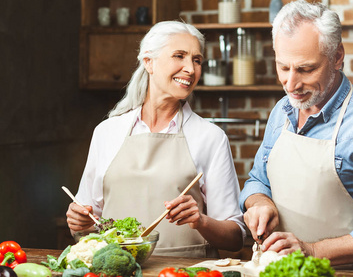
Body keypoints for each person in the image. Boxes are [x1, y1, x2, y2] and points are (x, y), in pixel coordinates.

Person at [239, 1, 353, 266]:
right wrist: (259, 202)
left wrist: (312, 251)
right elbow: (257, 180)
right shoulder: (282, 112)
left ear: (337, 57)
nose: (291, 84)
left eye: (306, 69)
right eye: (283, 68)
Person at [66, 21, 245, 258]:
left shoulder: (211, 138)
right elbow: (88, 222)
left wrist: (200, 221)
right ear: (148, 62)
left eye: (197, 60)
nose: (190, 69)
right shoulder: (107, 132)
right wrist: (78, 221)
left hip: (185, 273)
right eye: (179, 56)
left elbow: (235, 238)